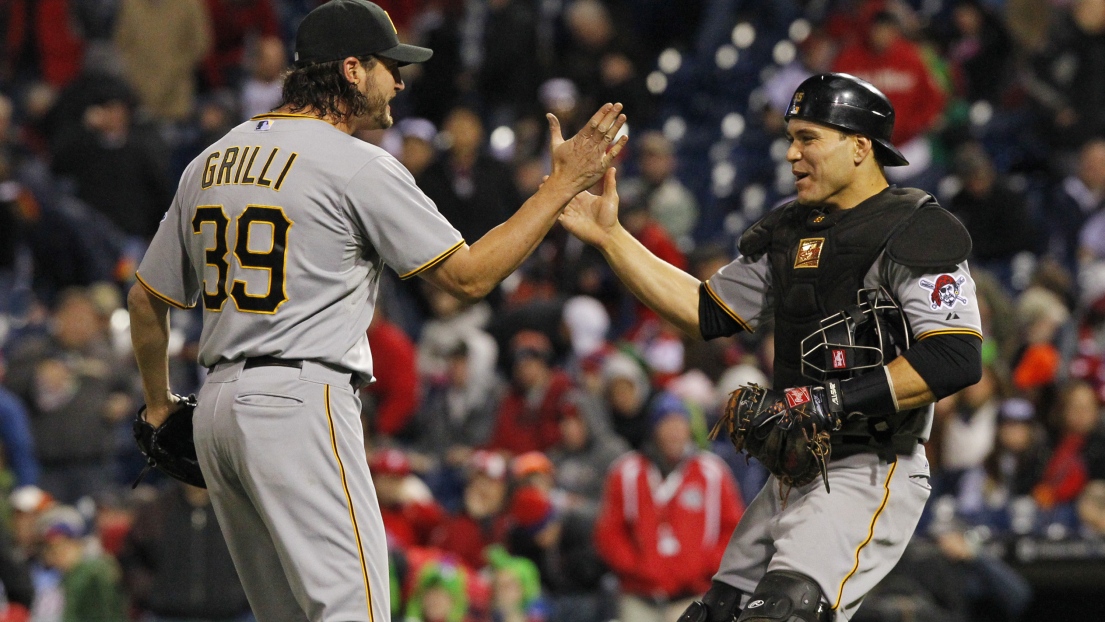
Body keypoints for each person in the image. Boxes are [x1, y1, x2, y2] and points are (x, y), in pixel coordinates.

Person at [126, 1, 627, 620]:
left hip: (218, 406)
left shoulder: (210, 160)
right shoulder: (353, 163)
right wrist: (561, 184)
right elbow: (469, 278)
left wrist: (157, 405)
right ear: (353, 70)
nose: (402, 81)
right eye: (392, 66)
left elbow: (146, 299)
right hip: (299, 399)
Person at [559, 72, 984, 621]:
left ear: (860, 147)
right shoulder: (792, 230)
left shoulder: (917, 229)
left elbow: (954, 358)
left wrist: (829, 402)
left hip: (871, 465)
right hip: (796, 471)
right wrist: (612, 239)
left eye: (808, 138)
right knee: (716, 615)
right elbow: (706, 310)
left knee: (783, 612)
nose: (791, 153)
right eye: (790, 137)